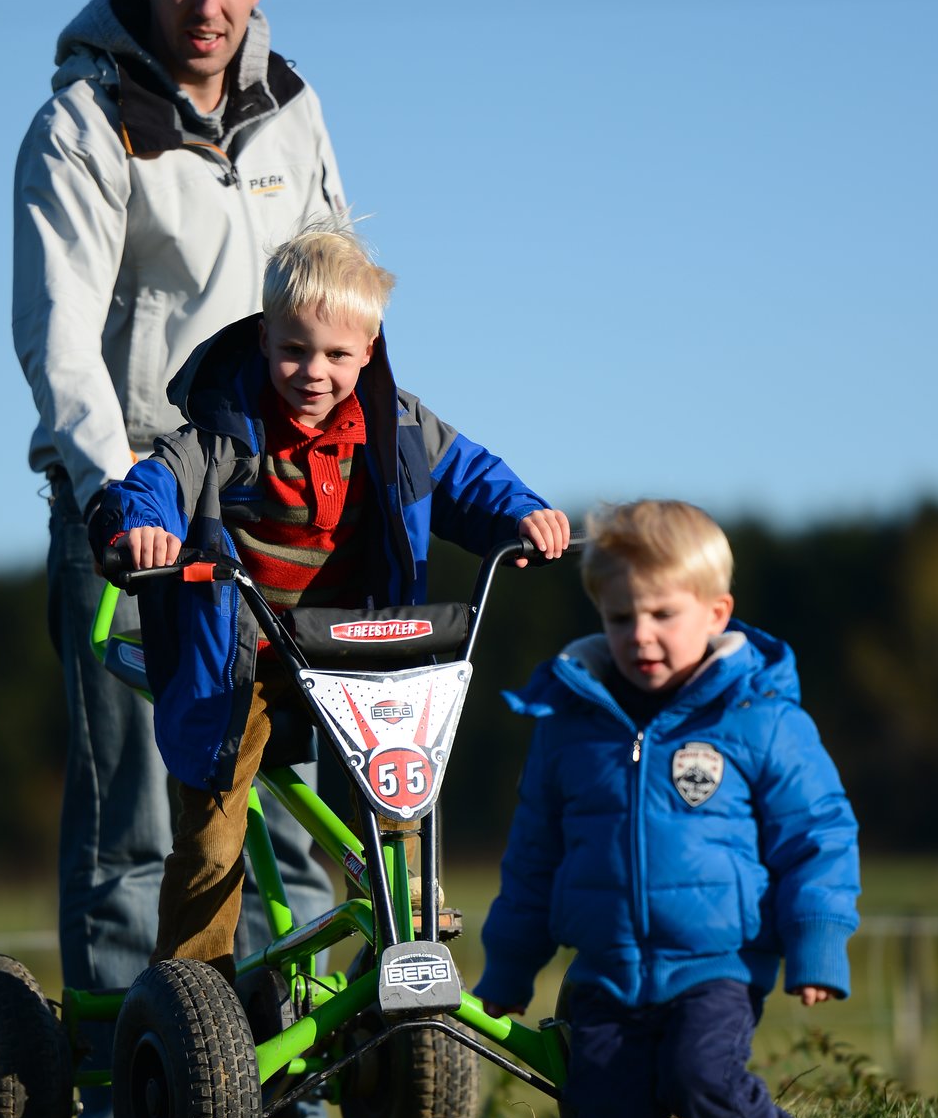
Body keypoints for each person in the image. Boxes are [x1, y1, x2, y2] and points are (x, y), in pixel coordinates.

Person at [12, 0, 345, 1118]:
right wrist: (111, 498)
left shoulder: (296, 113)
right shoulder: (86, 125)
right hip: (139, 506)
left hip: (274, 504)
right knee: (138, 815)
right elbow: (62, 338)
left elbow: (334, 294)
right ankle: (113, 1093)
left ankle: (298, 1089)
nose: (209, 2)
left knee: (292, 809)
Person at [86, 226, 573, 987]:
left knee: (402, 787)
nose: (314, 372)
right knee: (215, 837)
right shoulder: (220, 431)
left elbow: (474, 478)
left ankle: (402, 940)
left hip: (359, 654)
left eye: (337, 356)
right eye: (294, 350)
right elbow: (151, 485)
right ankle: (192, 995)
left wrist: (525, 515)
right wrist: (141, 528)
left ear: (369, 351)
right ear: (264, 334)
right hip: (242, 660)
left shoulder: (399, 429)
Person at [477, 500, 859, 1118]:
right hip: (606, 968)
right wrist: (509, 966)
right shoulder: (570, 725)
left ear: (716, 613)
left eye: (662, 614)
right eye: (621, 616)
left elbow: (817, 836)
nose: (640, 635)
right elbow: (535, 855)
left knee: (703, 1080)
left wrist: (817, 943)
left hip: (714, 961)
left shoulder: (757, 717)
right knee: (601, 1113)